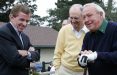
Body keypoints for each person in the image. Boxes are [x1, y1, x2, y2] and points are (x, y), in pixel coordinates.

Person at [0, 4, 40, 75]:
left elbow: (37, 54)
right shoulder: (3, 33)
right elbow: (14, 60)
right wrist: (31, 62)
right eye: (22, 19)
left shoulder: (25, 37)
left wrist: (27, 53)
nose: (24, 24)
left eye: (27, 21)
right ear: (11, 17)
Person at [78, 3, 117, 75]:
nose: (86, 20)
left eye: (89, 15)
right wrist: (82, 60)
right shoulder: (87, 36)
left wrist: (96, 55)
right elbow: (82, 57)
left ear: (101, 15)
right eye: (84, 17)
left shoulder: (114, 29)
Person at [53, 4, 88, 75]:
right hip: (64, 71)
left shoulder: (89, 31)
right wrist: (57, 69)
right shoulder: (64, 30)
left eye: (76, 18)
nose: (73, 21)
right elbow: (57, 52)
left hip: (83, 71)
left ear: (83, 17)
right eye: (71, 18)